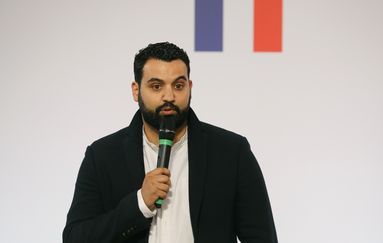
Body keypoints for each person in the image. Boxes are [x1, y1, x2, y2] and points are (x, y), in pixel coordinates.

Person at [63, 42, 278, 243]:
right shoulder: (102, 156)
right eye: (156, 86)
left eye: (178, 85)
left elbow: (261, 237)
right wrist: (139, 204)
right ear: (136, 90)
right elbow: (75, 237)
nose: (169, 96)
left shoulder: (232, 152)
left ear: (190, 87)